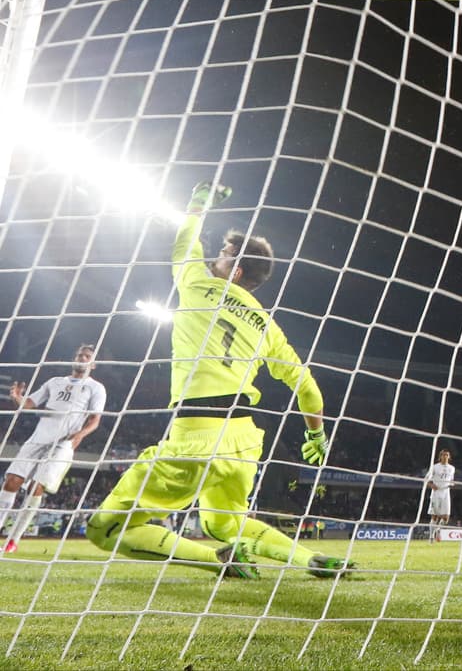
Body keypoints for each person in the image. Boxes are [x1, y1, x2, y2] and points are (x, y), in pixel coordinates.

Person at [86, 182, 352, 579]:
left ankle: (219, 561)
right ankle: (307, 559)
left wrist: (197, 204)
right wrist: (316, 434)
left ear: (236, 269)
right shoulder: (266, 323)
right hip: (243, 441)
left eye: (224, 254)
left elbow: (184, 243)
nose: (216, 257)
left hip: (197, 435)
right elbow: (307, 386)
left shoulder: (197, 284)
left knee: (103, 529)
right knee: (222, 523)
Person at [0, 344, 106, 554]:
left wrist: (79, 435)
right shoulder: (55, 382)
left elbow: (95, 419)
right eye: (79, 355)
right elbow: (29, 404)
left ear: (92, 364)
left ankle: (13, 539)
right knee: (11, 481)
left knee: (36, 487)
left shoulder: (96, 388)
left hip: (63, 444)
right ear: (73, 359)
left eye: (87, 356)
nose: (82, 358)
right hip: (38, 438)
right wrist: (17, 398)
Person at [426, 449, 455, 542]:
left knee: (446, 518)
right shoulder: (434, 467)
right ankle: (431, 537)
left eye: (447, 455)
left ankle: (437, 530)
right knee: (434, 516)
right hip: (436, 493)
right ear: (440, 457)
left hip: (446, 492)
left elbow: (451, 480)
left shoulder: (452, 468)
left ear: (449, 457)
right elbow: (427, 479)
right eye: (443, 455)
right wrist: (431, 485)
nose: (445, 456)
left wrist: (452, 483)